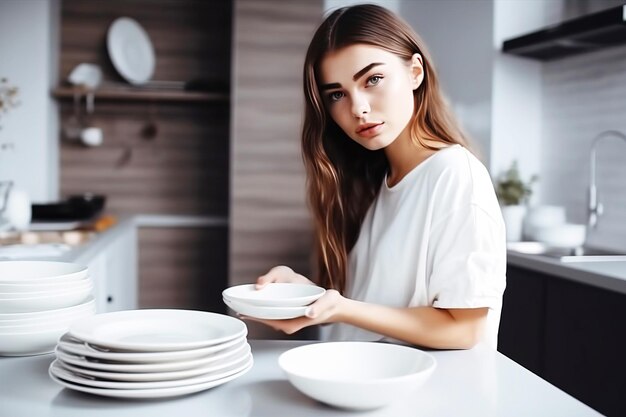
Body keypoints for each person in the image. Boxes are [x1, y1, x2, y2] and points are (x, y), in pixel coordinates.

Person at [248, 4, 506, 350]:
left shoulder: (454, 175)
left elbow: (463, 330)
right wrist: (309, 296)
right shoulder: (379, 181)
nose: (358, 108)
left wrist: (341, 309)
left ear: (415, 72)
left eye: (373, 79)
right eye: (337, 94)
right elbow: (373, 306)